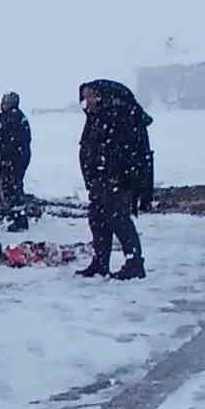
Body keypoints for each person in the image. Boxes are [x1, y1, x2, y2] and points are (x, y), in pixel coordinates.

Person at [76, 78, 154, 280]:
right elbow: (90, 146)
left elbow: (125, 151)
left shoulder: (120, 117)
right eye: (84, 97)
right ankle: (100, 262)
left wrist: (116, 175)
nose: (86, 101)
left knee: (119, 220)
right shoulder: (95, 117)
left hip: (116, 180)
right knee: (98, 220)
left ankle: (134, 263)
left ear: (101, 96)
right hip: (99, 179)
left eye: (90, 96)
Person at [0, 91, 32, 231]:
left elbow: (15, 143)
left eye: (6, 102)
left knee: (13, 189)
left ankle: (19, 220)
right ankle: (15, 217)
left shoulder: (15, 119)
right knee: (11, 189)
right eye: (3, 101)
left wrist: (7, 159)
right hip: (10, 161)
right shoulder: (8, 118)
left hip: (13, 161)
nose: (3, 104)